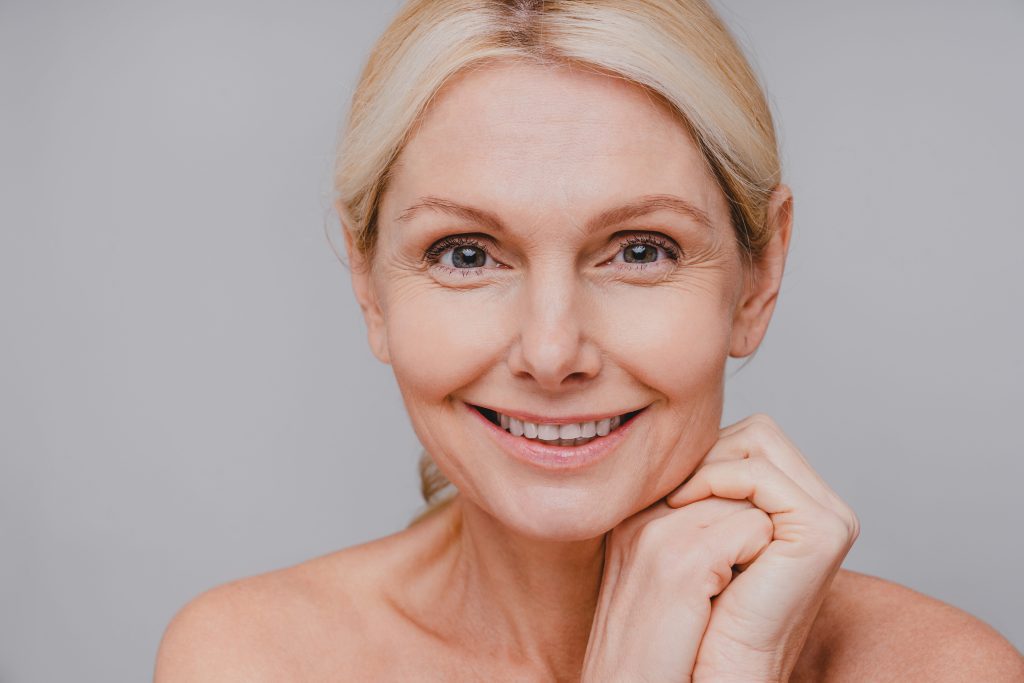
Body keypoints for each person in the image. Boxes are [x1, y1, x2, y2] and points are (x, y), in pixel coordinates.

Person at [154, 1, 1024, 680]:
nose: (551, 349)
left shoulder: (941, 671)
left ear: (759, 276)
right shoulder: (250, 659)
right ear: (367, 283)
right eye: (466, 253)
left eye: (641, 250)